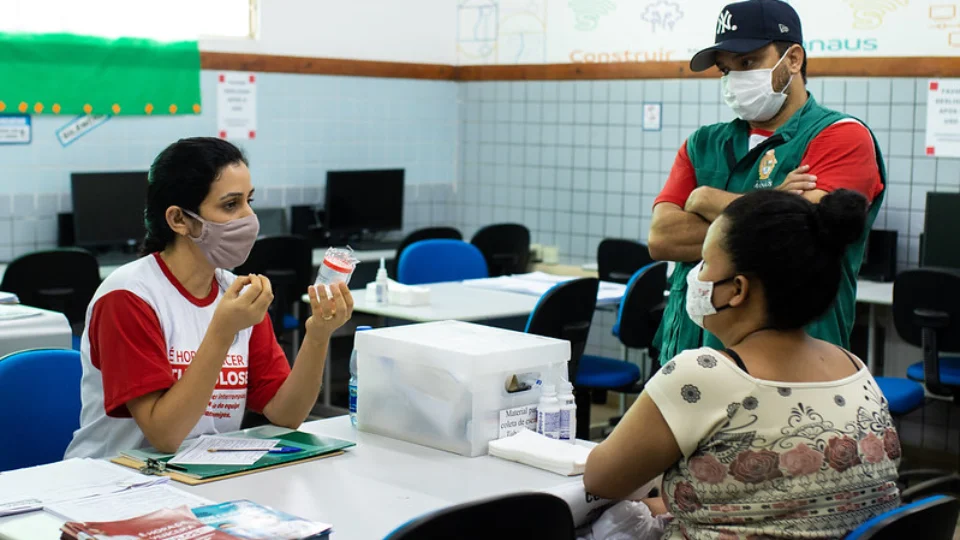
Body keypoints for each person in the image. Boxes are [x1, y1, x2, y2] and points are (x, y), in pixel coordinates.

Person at [584, 189, 901, 539]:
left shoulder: (704, 375)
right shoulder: (854, 369)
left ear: (737, 289)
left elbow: (602, 479)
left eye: (704, 262)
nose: (695, 276)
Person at [65, 137, 353, 458]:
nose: (248, 219)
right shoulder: (129, 296)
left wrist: (317, 334)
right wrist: (223, 330)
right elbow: (165, 435)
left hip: (200, 475)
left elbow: (285, 415)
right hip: (112, 482)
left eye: (249, 201)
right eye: (230, 205)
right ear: (178, 220)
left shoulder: (235, 293)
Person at [649, 0, 886, 362]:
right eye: (725, 69)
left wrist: (705, 199)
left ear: (792, 60)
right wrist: (775, 201)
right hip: (688, 355)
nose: (734, 80)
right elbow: (662, 238)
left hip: (792, 363)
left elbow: (794, 238)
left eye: (747, 63)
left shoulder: (841, 137)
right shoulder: (703, 144)